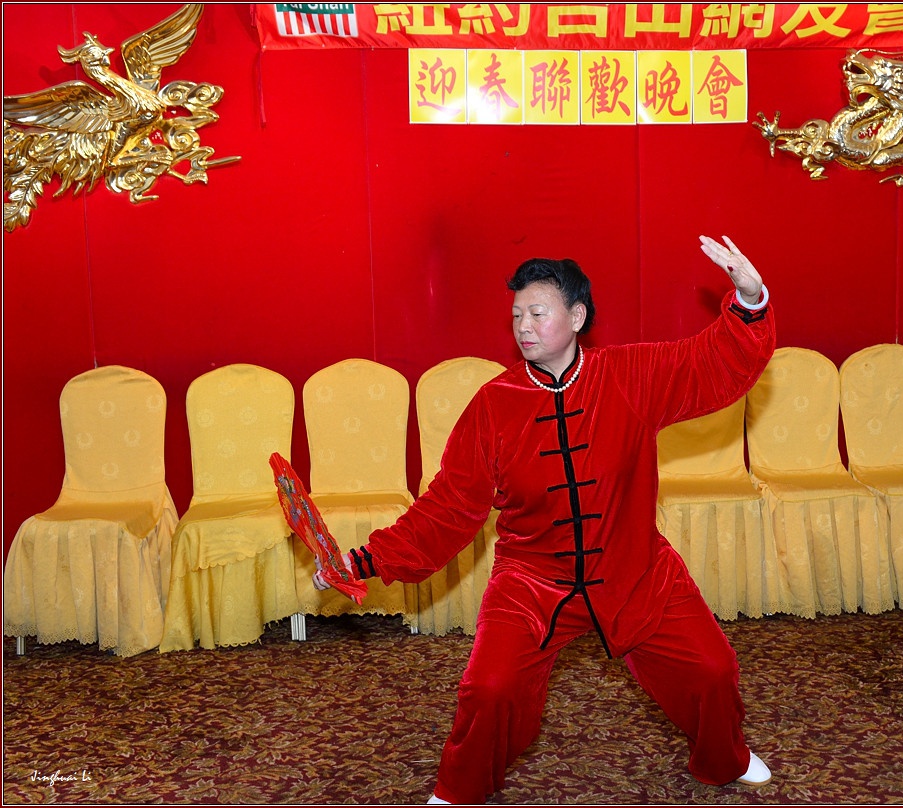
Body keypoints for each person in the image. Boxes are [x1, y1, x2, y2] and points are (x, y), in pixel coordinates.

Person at [316, 234, 776, 804]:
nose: (523, 327)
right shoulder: (493, 404)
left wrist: (750, 299)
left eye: (537, 313)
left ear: (577, 317)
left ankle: (726, 756)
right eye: (516, 316)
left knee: (713, 669)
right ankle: (458, 790)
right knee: (488, 688)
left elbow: (708, 363)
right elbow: (448, 507)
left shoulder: (630, 375)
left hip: (634, 567)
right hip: (531, 581)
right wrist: (361, 561)